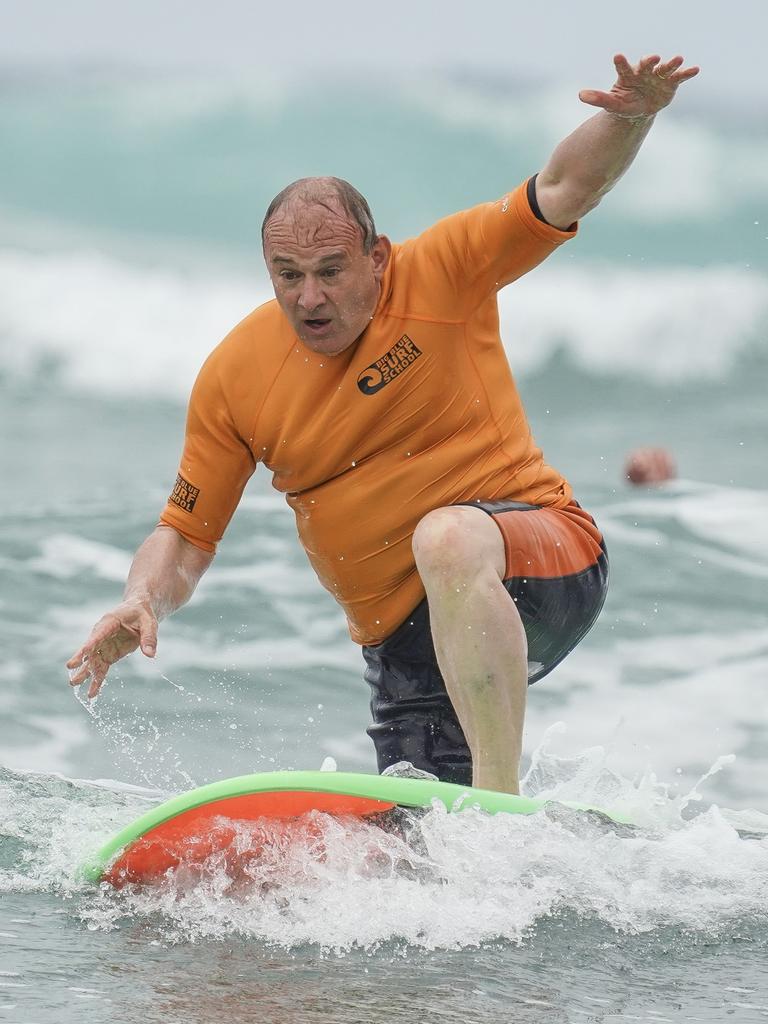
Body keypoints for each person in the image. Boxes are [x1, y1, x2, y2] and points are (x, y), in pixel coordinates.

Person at [67, 54, 699, 795]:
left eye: (331, 270)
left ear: (378, 258)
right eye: (287, 275)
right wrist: (143, 597)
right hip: (408, 648)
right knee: (425, 857)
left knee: (447, 537)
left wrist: (632, 114)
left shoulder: (442, 271)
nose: (309, 298)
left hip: (541, 557)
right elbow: (185, 535)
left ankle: (501, 806)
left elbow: (562, 187)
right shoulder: (235, 378)